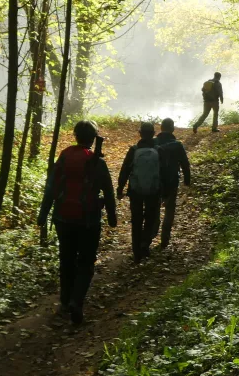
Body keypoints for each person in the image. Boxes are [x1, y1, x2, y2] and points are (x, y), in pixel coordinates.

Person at [37, 120, 116, 325]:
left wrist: (43, 213)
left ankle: (65, 301)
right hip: (88, 220)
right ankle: (77, 301)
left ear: (75, 135)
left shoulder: (64, 157)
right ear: (93, 138)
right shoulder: (97, 162)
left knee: (67, 258)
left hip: (63, 218)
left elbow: (51, 185)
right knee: (86, 261)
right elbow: (107, 190)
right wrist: (112, 216)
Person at [117, 122, 162, 263]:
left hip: (135, 190)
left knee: (136, 219)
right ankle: (145, 245)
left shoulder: (134, 150)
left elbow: (125, 170)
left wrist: (120, 188)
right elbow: (164, 171)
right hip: (154, 191)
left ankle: (136, 251)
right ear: (153, 133)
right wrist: (164, 190)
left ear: (140, 133)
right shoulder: (159, 150)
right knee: (150, 217)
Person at [154, 118, 191, 248]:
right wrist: (187, 180)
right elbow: (185, 164)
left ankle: (152, 230)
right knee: (169, 210)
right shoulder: (177, 145)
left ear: (161, 128)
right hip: (172, 181)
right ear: (173, 129)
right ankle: (165, 239)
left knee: (154, 208)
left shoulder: (153, 143)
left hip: (155, 182)